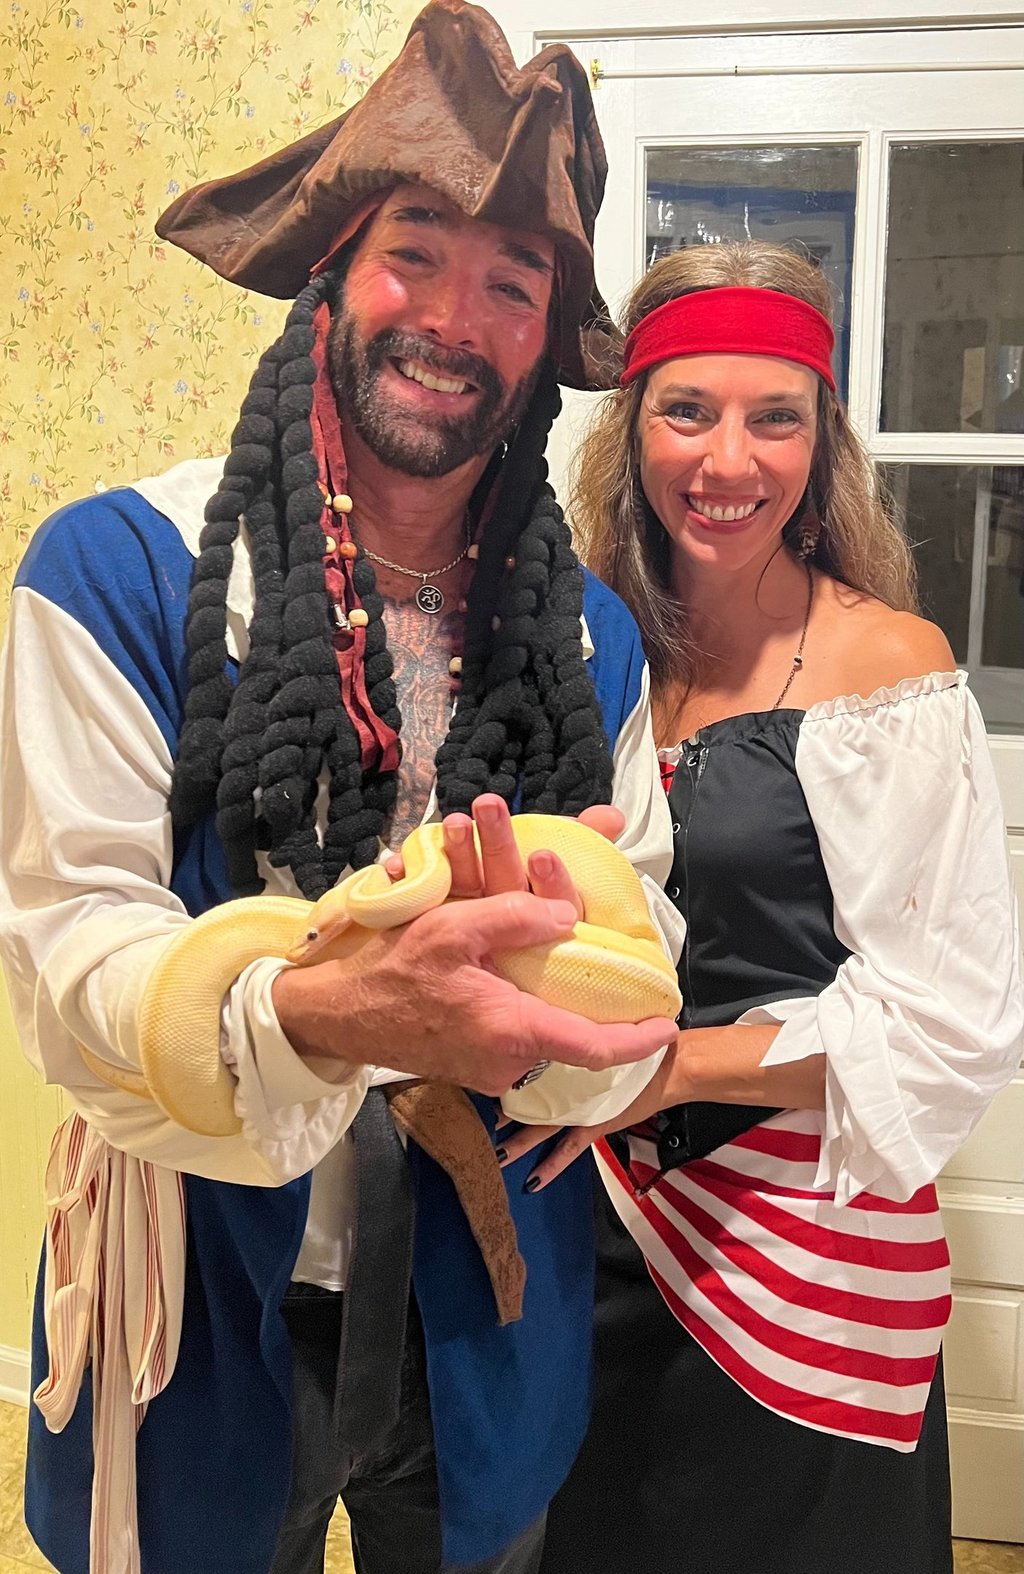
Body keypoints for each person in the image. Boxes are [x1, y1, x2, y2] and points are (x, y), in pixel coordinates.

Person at [0, 5, 683, 1572]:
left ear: (545, 343)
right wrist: (325, 1014)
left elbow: (643, 960)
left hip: (485, 1313)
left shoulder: (588, 638)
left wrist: (575, 1033)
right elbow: (69, 969)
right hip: (203, 1288)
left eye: (512, 283)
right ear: (330, 272)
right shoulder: (117, 573)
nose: (452, 316)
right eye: (413, 253)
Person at [495, 240, 1024, 1574]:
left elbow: (953, 1018)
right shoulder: (581, 640)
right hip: (590, 1226)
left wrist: (667, 1072)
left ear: (820, 439)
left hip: (807, 1257)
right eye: (688, 410)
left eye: (774, 417)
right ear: (633, 428)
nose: (728, 460)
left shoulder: (886, 668)